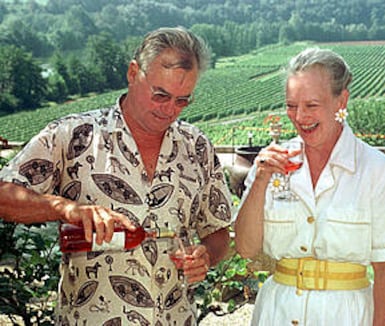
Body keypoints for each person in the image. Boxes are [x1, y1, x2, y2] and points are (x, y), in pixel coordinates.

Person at [0, 26, 232, 325]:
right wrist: (65, 208)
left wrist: (206, 257)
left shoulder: (197, 146)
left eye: (182, 100)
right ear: (134, 73)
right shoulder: (73, 135)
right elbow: (5, 195)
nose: (169, 110)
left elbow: (217, 231)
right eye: (161, 95)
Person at [234, 47, 385, 325]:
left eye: (311, 105)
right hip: (276, 314)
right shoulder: (272, 165)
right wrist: (259, 181)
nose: (300, 116)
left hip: (347, 316)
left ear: (341, 101)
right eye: (291, 105)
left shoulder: (376, 169)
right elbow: (245, 248)